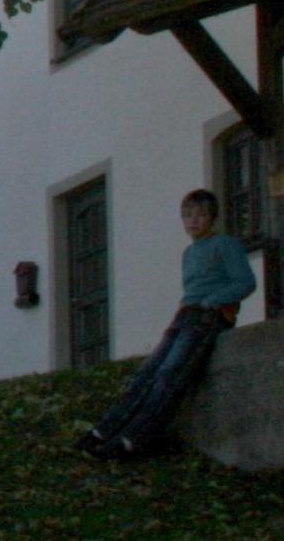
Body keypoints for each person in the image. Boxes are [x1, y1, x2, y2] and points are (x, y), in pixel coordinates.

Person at [78, 188, 256, 460]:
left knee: (170, 373)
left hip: (209, 317)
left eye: (200, 215)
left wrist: (213, 301)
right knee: (148, 371)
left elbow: (245, 282)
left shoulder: (225, 244)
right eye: (187, 215)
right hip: (184, 315)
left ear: (212, 218)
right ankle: (103, 432)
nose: (193, 221)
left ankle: (134, 439)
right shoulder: (189, 252)